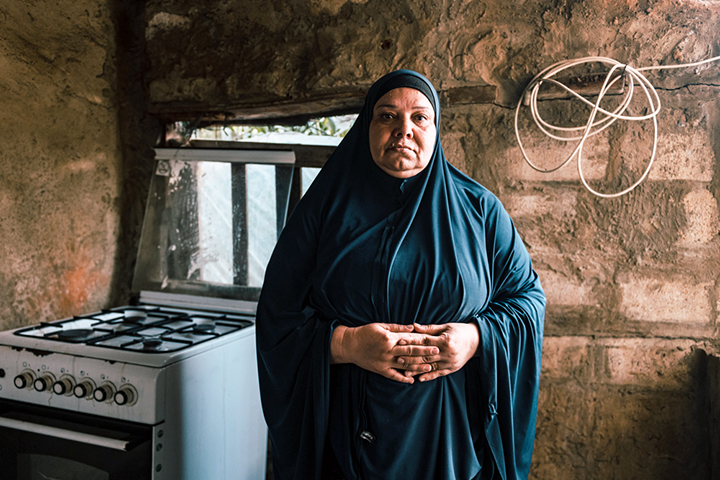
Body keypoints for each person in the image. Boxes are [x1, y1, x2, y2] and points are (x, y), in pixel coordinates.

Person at [256, 69, 545, 480]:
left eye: (419, 118)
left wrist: (475, 338)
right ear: (367, 126)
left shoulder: (479, 211)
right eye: (387, 116)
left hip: (452, 440)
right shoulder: (322, 210)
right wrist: (348, 344)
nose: (403, 130)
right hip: (347, 439)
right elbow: (276, 316)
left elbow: (527, 301)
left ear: (435, 127)